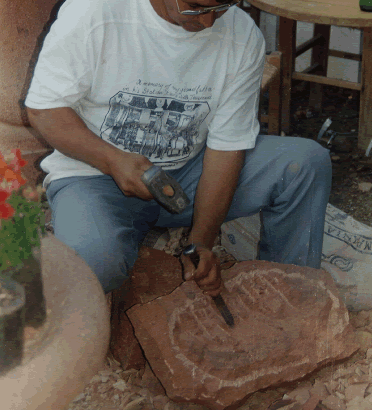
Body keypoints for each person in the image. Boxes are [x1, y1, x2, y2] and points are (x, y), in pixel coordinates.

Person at [25, 0, 332, 297]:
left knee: (303, 163)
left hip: (187, 177)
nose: (208, 21)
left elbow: (227, 148)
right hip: (93, 176)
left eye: (221, 6)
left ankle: (293, 298)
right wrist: (112, 160)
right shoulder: (95, 12)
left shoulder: (242, 36)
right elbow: (44, 110)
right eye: (195, 6)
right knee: (89, 270)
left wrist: (201, 243)